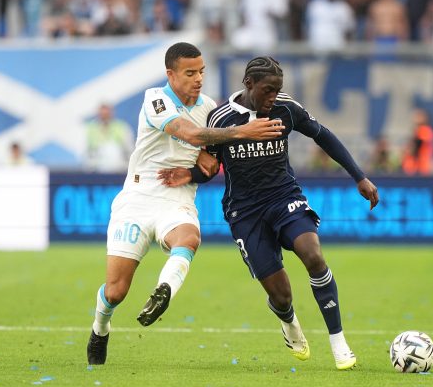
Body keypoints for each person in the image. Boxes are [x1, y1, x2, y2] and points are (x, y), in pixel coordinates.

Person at [157, 56, 380, 370]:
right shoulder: (221, 118)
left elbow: (323, 135)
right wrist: (190, 174)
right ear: (249, 84)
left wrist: (359, 177)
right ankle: (287, 320)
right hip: (245, 212)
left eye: (277, 90)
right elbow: (211, 166)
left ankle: (338, 340)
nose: (273, 97)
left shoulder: (286, 108)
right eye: (267, 90)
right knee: (281, 295)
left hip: (284, 197)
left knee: (313, 255)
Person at [86, 43, 286, 365]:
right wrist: (241, 132)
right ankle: (100, 328)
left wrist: (204, 163)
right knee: (115, 291)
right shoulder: (156, 100)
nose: (198, 79)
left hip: (177, 198)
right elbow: (190, 134)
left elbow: (211, 159)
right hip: (138, 197)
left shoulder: (210, 107)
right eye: (190, 73)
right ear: (171, 75)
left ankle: (163, 291)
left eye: (201, 71)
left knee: (189, 238)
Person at [84, 103, 135, 173]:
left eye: (106, 114)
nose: (105, 117)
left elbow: (129, 148)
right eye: (102, 115)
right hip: (97, 167)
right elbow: (86, 150)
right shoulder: (90, 129)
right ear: (98, 115)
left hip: (119, 166)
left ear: (111, 113)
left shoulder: (122, 127)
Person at [401, 109, 433, 175]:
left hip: (419, 167)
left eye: (418, 116)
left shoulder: (424, 130)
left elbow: (417, 146)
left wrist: (407, 151)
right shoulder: (421, 130)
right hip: (418, 167)